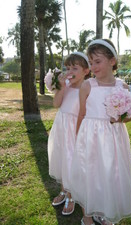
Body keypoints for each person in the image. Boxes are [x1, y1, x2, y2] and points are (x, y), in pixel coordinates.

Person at [70, 39, 131, 225]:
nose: (93, 67)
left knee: (109, 175)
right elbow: (82, 114)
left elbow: (129, 115)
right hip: (90, 138)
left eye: (97, 62)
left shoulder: (122, 87)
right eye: (91, 63)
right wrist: (77, 140)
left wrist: (121, 118)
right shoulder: (88, 86)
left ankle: (105, 212)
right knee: (89, 176)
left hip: (114, 139)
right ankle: (87, 217)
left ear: (112, 61)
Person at [48, 52, 90, 216]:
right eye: (67, 67)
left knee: (72, 160)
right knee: (61, 158)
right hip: (61, 127)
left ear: (86, 71)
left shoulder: (87, 88)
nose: (70, 71)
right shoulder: (65, 84)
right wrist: (62, 87)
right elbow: (56, 104)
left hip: (75, 129)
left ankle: (72, 196)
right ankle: (64, 190)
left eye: (75, 68)